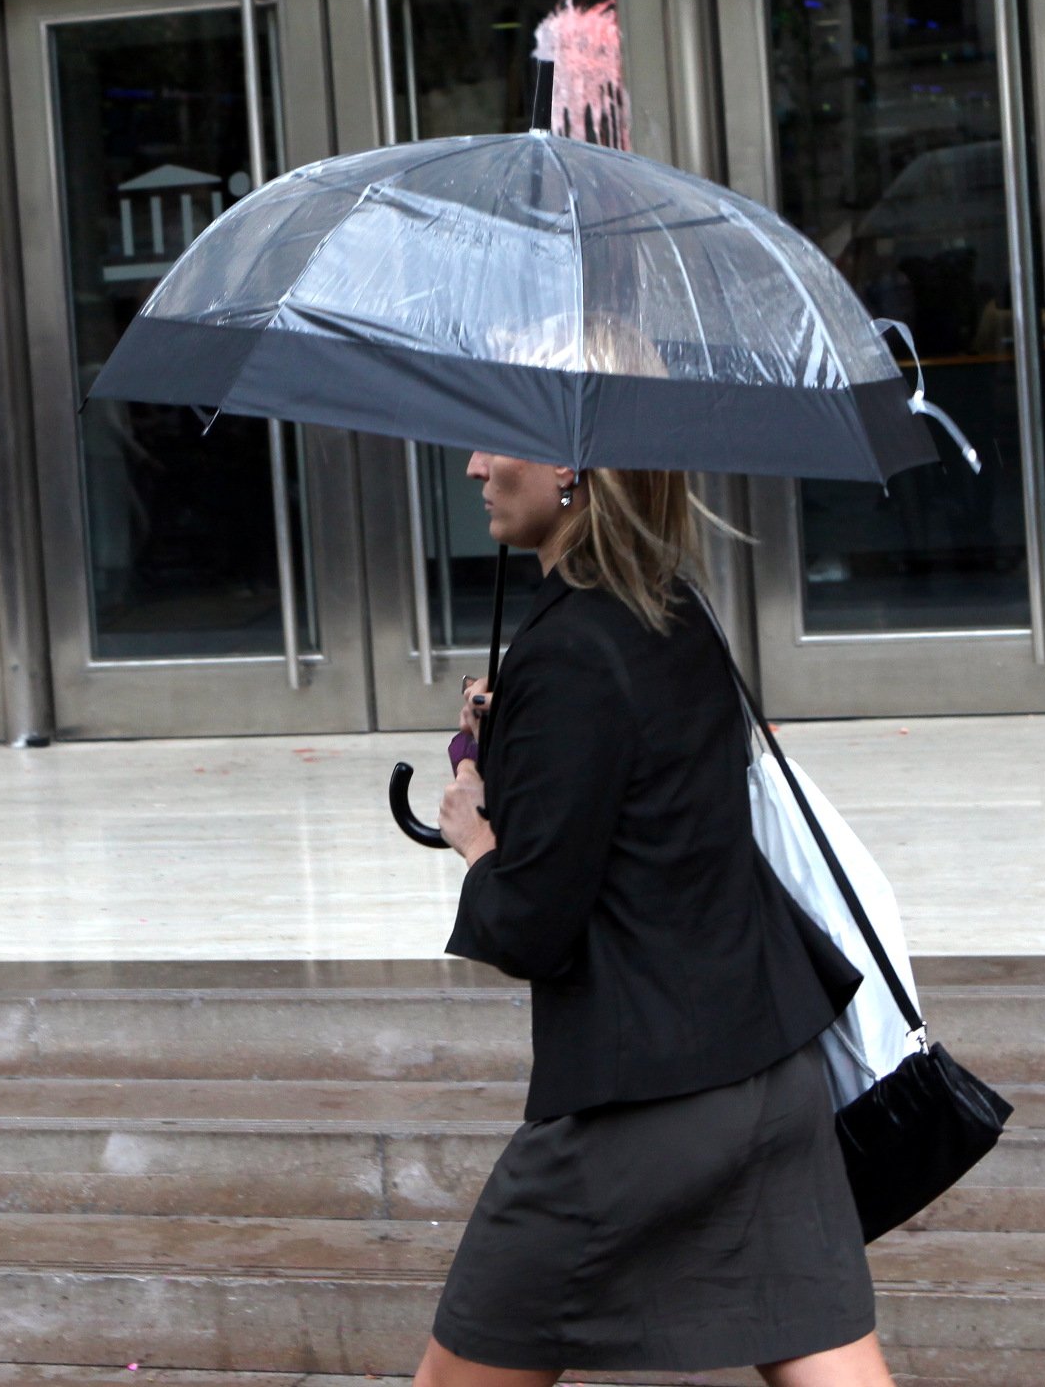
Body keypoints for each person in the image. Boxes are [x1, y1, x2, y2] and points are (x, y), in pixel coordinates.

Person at [418, 447, 898, 1387]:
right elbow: (647, 811)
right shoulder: (677, 614)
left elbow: (531, 924)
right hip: (768, 1066)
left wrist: (476, 837)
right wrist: (514, 733)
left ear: (571, 468)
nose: (474, 465)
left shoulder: (564, 652)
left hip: (637, 1105)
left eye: (497, 439)